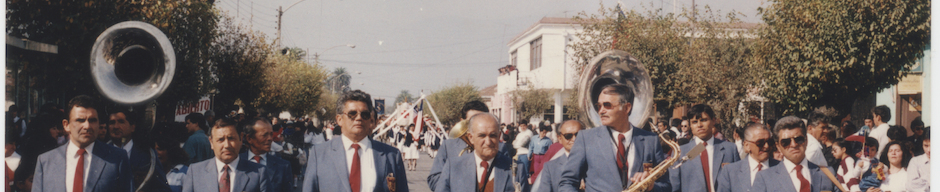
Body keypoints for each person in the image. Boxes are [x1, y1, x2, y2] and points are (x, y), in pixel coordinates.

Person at [559, 84, 670, 192]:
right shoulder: (586, 138)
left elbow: (666, 186)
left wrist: (651, 187)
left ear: (626, 108)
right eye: (599, 106)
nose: (601, 111)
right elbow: (567, 182)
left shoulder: (651, 140)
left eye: (607, 105)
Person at [302, 90, 408, 192]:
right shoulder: (319, 154)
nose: (359, 118)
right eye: (352, 114)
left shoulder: (391, 155)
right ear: (339, 119)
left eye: (364, 114)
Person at [32, 95, 133, 192]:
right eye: (80, 120)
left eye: (92, 120)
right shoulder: (45, 161)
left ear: (98, 124)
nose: (87, 126)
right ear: (66, 125)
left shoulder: (117, 159)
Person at [427, 100, 509, 191]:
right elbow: (433, 178)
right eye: (472, 120)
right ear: (462, 121)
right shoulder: (448, 146)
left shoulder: (500, 147)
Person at [751, 116, 840, 192]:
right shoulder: (765, 178)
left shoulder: (826, 174)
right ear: (778, 146)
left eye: (798, 139)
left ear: (806, 141)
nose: (793, 145)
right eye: (786, 142)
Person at [181, 118, 268, 192]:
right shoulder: (195, 172)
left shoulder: (258, 173)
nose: (227, 145)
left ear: (241, 139)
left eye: (231, 138)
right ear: (211, 142)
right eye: (220, 140)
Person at [670, 104, 740, 192]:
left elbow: (739, 184)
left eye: (703, 120)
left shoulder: (730, 149)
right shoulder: (682, 153)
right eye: (694, 122)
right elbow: (674, 187)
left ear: (713, 121)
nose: (699, 125)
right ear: (690, 126)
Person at [106, 110, 172, 192]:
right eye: (112, 122)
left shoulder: (148, 155)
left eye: (121, 122)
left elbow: (164, 189)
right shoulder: (100, 154)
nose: (116, 126)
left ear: (132, 127)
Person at [716, 122, 779, 192]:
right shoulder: (730, 172)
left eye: (770, 142)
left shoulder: (781, 168)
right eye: (760, 143)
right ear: (747, 146)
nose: (766, 146)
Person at [240, 117, 293, 192]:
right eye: (264, 135)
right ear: (249, 138)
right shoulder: (237, 162)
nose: (270, 139)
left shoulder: (283, 166)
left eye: (271, 134)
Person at [534, 120, 585, 192]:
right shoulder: (550, 168)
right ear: (560, 139)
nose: (574, 139)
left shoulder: (598, 164)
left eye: (578, 135)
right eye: (568, 136)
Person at [512, 121, 533, 189]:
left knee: (525, 173)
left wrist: (517, 144)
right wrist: (517, 144)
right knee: (518, 173)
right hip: (519, 154)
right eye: (521, 126)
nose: (522, 127)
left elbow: (523, 143)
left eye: (524, 125)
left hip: (526, 154)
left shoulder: (529, 133)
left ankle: (525, 189)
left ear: (526, 125)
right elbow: (513, 144)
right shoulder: (519, 134)